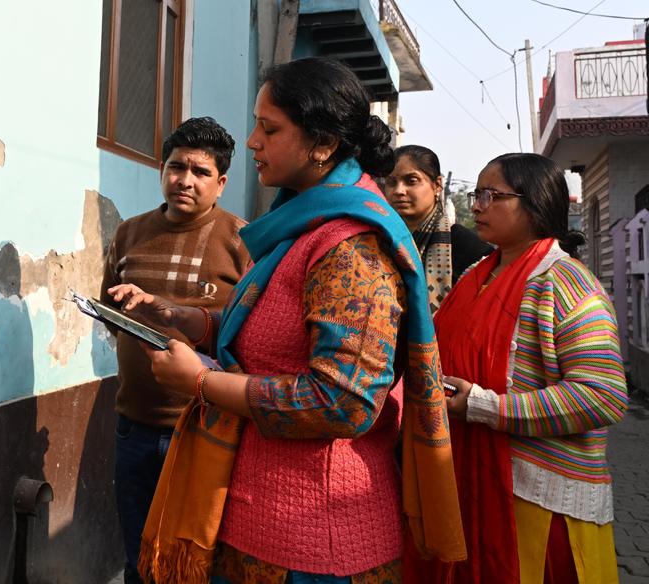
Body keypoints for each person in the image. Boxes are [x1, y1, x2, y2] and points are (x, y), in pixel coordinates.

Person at [130, 57, 465, 584]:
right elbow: (271, 337)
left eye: (269, 128)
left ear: (323, 145)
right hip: (260, 522)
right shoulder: (300, 225)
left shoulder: (351, 247)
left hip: (318, 542)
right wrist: (187, 320)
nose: (253, 141)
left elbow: (343, 401)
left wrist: (200, 381)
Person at [411, 153, 627, 583]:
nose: (476, 206)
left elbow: (602, 395)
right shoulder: (477, 273)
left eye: (492, 195)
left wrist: (482, 405)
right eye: (477, 194)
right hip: (471, 485)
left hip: (541, 506)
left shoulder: (567, 283)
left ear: (536, 202)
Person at [100, 116, 250, 584]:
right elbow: (110, 311)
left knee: (199, 563)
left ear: (221, 183)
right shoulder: (129, 233)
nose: (185, 180)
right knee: (139, 558)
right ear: (162, 170)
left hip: (207, 430)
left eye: (201, 172)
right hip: (135, 427)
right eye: (176, 167)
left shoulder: (243, 241)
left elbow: (250, 335)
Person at [382, 144, 491, 312]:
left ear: (437, 185)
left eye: (411, 181)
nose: (399, 190)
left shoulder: (468, 248)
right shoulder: (380, 241)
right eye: (391, 182)